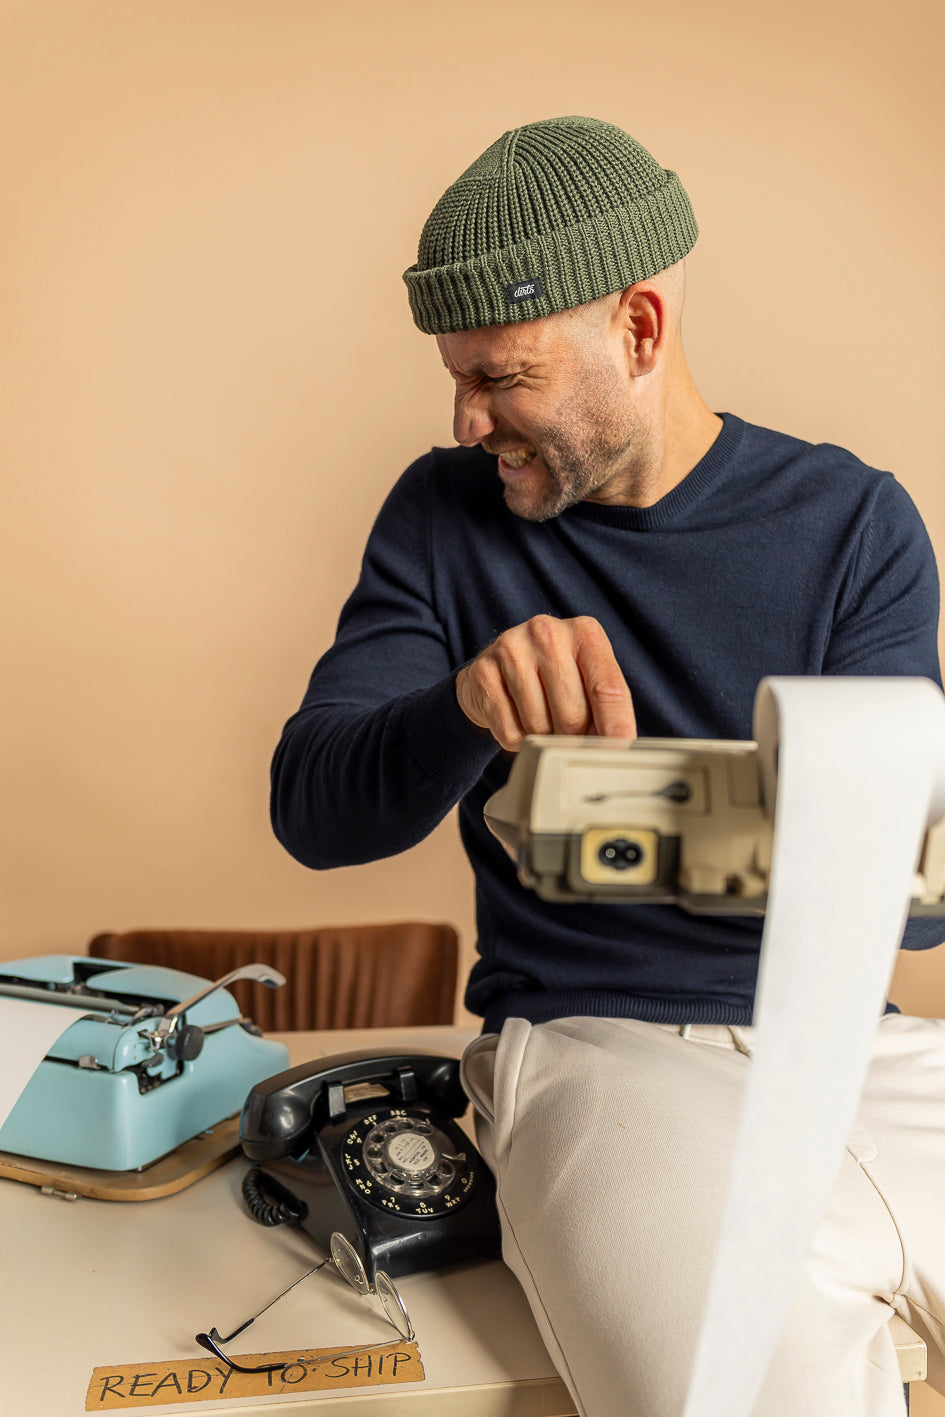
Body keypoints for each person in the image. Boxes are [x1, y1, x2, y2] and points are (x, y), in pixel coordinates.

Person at [271, 116, 945, 1416]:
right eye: (455, 376)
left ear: (638, 329)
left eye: (502, 377)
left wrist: (608, 816)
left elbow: (907, 886)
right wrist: (466, 704)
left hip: (868, 1046)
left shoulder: (853, 522)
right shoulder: (442, 513)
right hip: (599, 1051)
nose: (466, 418)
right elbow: (315, 808)